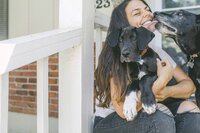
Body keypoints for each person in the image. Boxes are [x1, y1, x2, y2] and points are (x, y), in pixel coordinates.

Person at [94, 0, 200, 133]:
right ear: (125, 25)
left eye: (147, 9)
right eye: (137, 13)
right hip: (111, 122)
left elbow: (189, 86)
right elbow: (122, 111)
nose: (147, 14)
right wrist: (161, 82)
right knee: (158, 118)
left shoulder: (155, 51)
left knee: (190, 109)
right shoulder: (118, 55)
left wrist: (166, 91)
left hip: (146, 113)